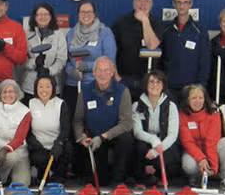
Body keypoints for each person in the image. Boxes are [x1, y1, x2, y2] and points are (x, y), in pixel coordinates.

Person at [73, 56, 134, 186]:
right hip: (93, 139)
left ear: (112, 73)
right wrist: (81, 136)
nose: (103, 74)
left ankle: (119, 181)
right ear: (94, 72)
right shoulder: (85, 91)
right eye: (99, 70)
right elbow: (78, 120)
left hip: (114, 137)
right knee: (98, 181)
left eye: (106, 71)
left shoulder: (123, 91)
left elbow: (127, 123)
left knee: (126, 139)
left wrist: (104, 137)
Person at [64, 0, 116, 113]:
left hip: (96, 84)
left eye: (89, 12)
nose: (86, 15)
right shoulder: (71, 33)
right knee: (73, 118)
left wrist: (86, 66)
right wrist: (71, 71)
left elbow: (110, 61)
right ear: (78, 14)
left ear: (95, 14)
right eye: (83, 12)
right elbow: (65, 59)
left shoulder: (105, 33)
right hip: (74, 84)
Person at [179, 84, 225, 190]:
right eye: (194, 98)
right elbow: (187, 142)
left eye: (200, 98)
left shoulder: (213, 114)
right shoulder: (182, 115)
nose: (197, 101)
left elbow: (212, 141)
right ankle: (195, 178)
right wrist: (201, 159)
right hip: (194, 152)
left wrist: (213, 165)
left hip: (212, 151)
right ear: (187, 100)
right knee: (188, 164)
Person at [112, 0, 163, 101]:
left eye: (146, 1)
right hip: (125, 79)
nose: (142, 4)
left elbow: (152, 45)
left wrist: (145, 21)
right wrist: (116, 77)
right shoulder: (121, 23)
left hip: (149, 81)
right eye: (139, 0)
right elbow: (111, 52)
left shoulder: (157, 23)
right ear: (134, 3)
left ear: (151, 4)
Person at [161, 0, 210, 105]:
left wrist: (200, 85)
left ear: (190, 4)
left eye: (185, 2)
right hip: (170, 87)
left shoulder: (200, 31)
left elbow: (205, 60)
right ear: (174, 4)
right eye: (179, 2)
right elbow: (161, 58)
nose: (182, 6)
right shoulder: (166, 30)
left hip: (191, 88)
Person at [131, 71, 180, 186]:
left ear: (163, 85)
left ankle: (156, 177)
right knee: (139, 148)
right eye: (151, 82)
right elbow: (137, 132)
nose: (155, 85)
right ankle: (142, 179)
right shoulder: (137, 106)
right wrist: (153, 140)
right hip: (145, 143)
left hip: (163, 144)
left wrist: (156, 150)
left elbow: (172, 135)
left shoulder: (171, 106)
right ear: (146, 85)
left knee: (171, 163)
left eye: (158, 82)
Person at [18, 2, 67, 102]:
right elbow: (21, 60)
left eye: (46, 14)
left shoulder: (59, 35)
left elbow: (61, 59)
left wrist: (49, 71)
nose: (43, 17)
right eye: (39, 14)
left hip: (51, 86)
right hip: (30, 86)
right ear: (34, 17)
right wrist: (34, 62)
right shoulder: (25, 35)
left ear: (51, 16)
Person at [0, 79, 31, 186]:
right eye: (4, 92)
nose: (7, 95)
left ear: (16, 93)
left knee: (22, 185)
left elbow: (19, 139)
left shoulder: (25, 111)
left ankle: (9, 176)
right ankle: (0, 178)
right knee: (9, 159)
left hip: (19, 153)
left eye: (11, 92)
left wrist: (4, 150)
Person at [26, 75, 70, 183]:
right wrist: (36, 145)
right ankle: (41, 175)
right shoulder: (30, 103)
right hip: (38, 146)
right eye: (41, 86)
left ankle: (58, 177)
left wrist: (58, 144)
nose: (44, 90)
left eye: (47, 86)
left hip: (56, 145)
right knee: (40, 158)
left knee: (67, 150)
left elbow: (65, 129)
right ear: (36, 88)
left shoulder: (61, 104)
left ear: (53, 88)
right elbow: (26, 130)